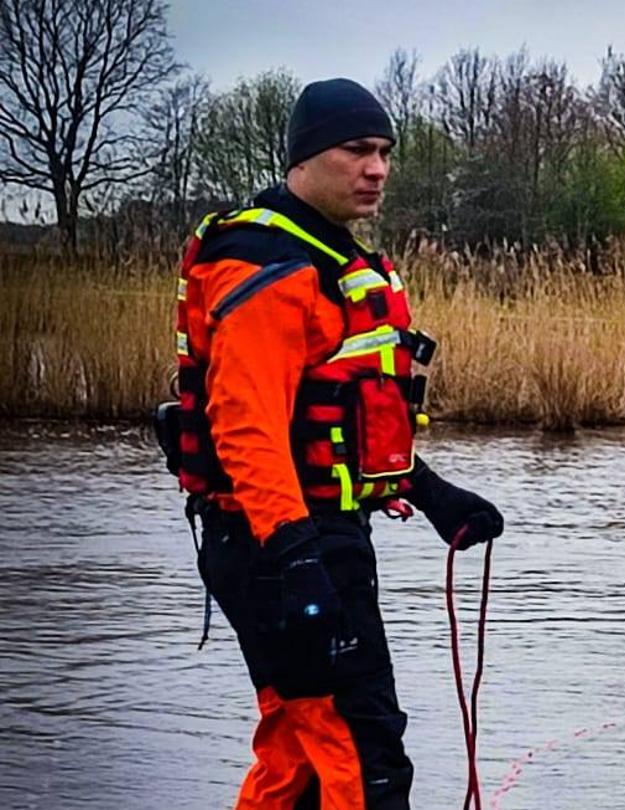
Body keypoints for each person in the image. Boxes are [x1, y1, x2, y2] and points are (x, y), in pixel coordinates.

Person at [158, 78, 502, 809]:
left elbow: (342, 421)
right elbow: (246, 428)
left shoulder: (326, 257)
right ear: (306, 157)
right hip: (281, 550)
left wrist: (434, 495)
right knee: (362, 756)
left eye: (384, 152)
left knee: (299, 752)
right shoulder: (269, 265)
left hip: (307, 542)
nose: (376, 168)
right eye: (356, 150)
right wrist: (298, 559)